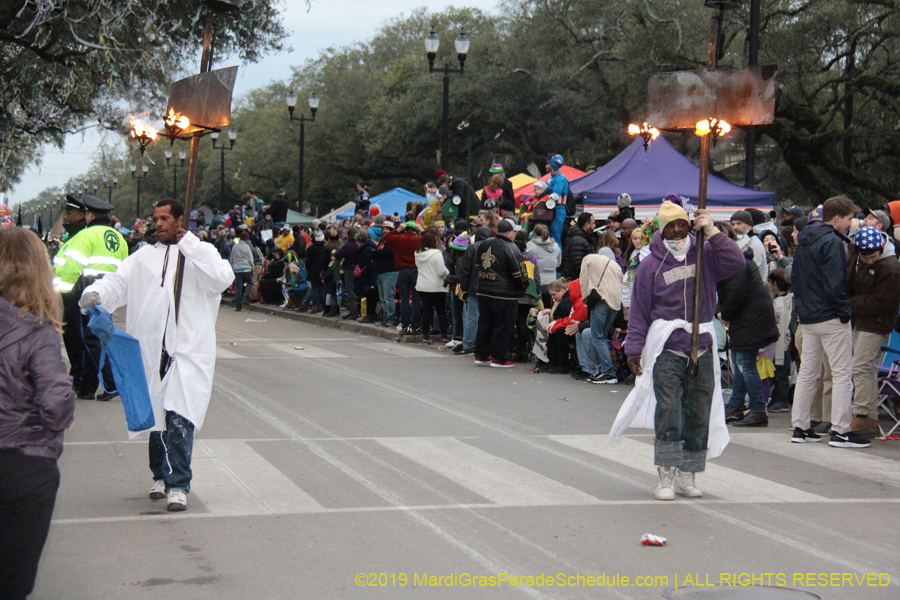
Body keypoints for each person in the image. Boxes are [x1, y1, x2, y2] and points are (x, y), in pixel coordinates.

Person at [79, 198, 234, 511]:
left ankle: (179, 484)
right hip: (152, 349)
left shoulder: (200, 253)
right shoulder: (144, 256)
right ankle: (160, 476)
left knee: (180, 415)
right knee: (157, 417)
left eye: (165, 218)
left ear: (180, 221)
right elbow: (117, 282)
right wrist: (96, 294)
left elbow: (222, 278)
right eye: (156, 218)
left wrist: (189, 244)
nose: (159, 223)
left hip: (187, 350)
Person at [621, 201, 744, 500]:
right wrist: (633, 348)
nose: (677, 230)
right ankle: (665, 474)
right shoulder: (651, 265)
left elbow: (736, 262)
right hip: (667, 348)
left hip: (701, 345)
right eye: (670, 226)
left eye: (682, 224)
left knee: (698, 414)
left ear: (689, 224)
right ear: (661, 230)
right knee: (669, 413)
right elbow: (639, 311)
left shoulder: (705, 253)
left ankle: (687, 475)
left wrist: (713, 232)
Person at [0, 227, 75, 600]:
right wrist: (63, 417)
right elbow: (56, 401)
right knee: (13, 580)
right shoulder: (38, 329)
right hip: (24, 463)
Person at [790, 195, 870, 448]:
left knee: (807, 373)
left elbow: (797, 278)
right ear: (837, 218)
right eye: (848, 218)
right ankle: (840, 430)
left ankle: (800, 426)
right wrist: (843, 312)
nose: (850, 223)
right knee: (841, 373)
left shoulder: (804, 241)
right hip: (830, 315)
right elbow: (836, 282)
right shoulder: (833, 242)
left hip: (809, 315)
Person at [53, 195, 127, 402]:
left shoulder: (86, 236)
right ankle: (97, 385)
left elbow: (72, 268)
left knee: (89, 342)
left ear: (90, 215)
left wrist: (63, 292)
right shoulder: (118, 238)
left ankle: (103, 385)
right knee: (101, 339)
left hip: (85, 293)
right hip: (109, 293)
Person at [718, 224, 780, 428]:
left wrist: (724, 313)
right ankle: (736, 405)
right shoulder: (732, 262)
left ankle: (757, 409)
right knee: (738, 363)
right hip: (746, 317)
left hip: (751, 319)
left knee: (745, 364)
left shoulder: (736, 264)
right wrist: (722, 310)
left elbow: (736, 293)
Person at [848, 226, 900, 437]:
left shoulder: (891, 267)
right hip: (861, 320)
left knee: (860, 366)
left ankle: (861, 413)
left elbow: (882, 303)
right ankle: (868, 415)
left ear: (881, 249)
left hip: (876, 323)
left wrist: (850, 303)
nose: (869, 260)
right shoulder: (857, 258)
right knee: (865, 368)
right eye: (864, 256)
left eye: (873, 256)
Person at [473, 220, 529, 367]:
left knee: (485, 323)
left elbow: (478, 266)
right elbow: (520, 274)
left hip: (484, 291)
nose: (516, 234)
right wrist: (523, 287)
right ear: (508, 233)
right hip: (504, 293)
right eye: (514, 231)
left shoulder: (485, 244)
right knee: (504, 325)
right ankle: (499, 357)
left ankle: (482, 354)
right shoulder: (511, 248)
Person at [580, 249, 623, 384]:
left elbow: (584, 280)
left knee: (597, 336)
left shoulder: (589, 258)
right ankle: (605, 370)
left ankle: (608, 372)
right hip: (615, 303)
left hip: (600, 299)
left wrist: (587, 299)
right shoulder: (616, 266)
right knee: (602, 336)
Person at [454, 226, 494, 357]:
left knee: (471, 317)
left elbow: (465, 271)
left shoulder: (472, 248)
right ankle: (484, 345)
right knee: (487, 318)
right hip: (491, 287)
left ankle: (469, 345)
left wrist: (464, 288)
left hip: (474, 287)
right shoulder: (494, 247)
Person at [383, 222, 423, 334]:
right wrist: (422, 228)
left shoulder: (398, 239)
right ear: (415, 231)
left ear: (405, 230)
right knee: (416, 299)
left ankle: (405, 323)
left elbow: (387, 237)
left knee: (404, 298)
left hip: (402, 270)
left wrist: (398, 229)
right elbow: (430, 238)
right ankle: (415, 324)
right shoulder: (419, 239)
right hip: (416, 271)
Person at [415, 233, 450, 344]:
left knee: (426, 311)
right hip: (437, 287)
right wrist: (448, 274)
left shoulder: (417, 254)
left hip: (422, 286)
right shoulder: (437, 254)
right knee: (441, 311)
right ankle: (444, 335)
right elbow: (441, 271)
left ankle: (425, 336)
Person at [526, 224, 561, 308]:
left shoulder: (530, 245)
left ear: (535, 234)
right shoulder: (556, 246)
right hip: (551, 283)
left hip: (536, 284)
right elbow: (558, 263)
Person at [730, 210, 768, 281]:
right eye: (733, 224)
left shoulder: (753, 244)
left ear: (750, 227)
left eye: (739, 224)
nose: (735, 227)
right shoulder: (738, 241)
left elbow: (753, 272)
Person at [545, 154, 569, 249]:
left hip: (558, 208)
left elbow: (556, 194)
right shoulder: (550, 178)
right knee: (546, 232)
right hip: (549, 207)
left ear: (553, 164)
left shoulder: (561, 178)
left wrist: (545, 187)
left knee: (555, 232)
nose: (546, 166)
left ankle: (557, 258)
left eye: (547, 164)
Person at [562, 212, 595, 280]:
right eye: (593, 223)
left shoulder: (585, 238)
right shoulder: (577, 241)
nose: (595, 226)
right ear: (586, 225)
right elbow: (577, 265)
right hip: (576, 280)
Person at [230, 231, 255, 311]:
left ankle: (238, 306)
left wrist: (232, 266)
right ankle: (245, 297)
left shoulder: (234, 247)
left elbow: (231, 258)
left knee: (239, 287)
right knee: (250, 282)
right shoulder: (247, 247)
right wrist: (252, 267)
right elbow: (250, 258)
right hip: (246, 268)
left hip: (236, 269)